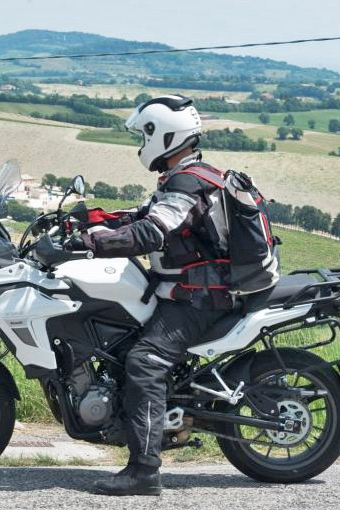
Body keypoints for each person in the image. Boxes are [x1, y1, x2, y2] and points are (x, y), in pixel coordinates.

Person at [72, 94, 236, 496]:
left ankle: (144, 472)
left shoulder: (188, 181)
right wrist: (88, 220)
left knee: (145, 361)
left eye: (143, 135)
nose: (141, 144)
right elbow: (142, 215)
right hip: (184, 291)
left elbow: (151, 232)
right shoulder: (180, 176)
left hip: (200, 297)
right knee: (123, 344)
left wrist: (95, 244)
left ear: (162, 134)